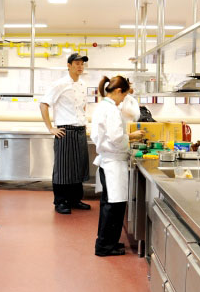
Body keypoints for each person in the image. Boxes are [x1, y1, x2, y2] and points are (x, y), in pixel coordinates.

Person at [91, 75, 137, 256]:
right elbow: (116, 137)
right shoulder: (111, 110)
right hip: (113, 163)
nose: (123, 100)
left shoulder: (102, 106)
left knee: (109, 204)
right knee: (114, 206)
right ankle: (104, 246)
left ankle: (108, 242)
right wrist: (130, 137)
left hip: (108, 160)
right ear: (118, 91)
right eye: (124, 96)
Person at [41, 53, 91, 214]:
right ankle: (61, 202)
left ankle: (75, 200)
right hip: (65, 131)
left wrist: (84, 122)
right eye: (77, 63)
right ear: (69, 65)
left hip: (80, 130)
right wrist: (50, 128)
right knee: (63, 169)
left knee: (78, 168)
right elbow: (43, 104)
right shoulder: (59, 84)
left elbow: (82, 107)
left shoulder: (83, 84)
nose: (80, 66)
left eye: (82, 63)